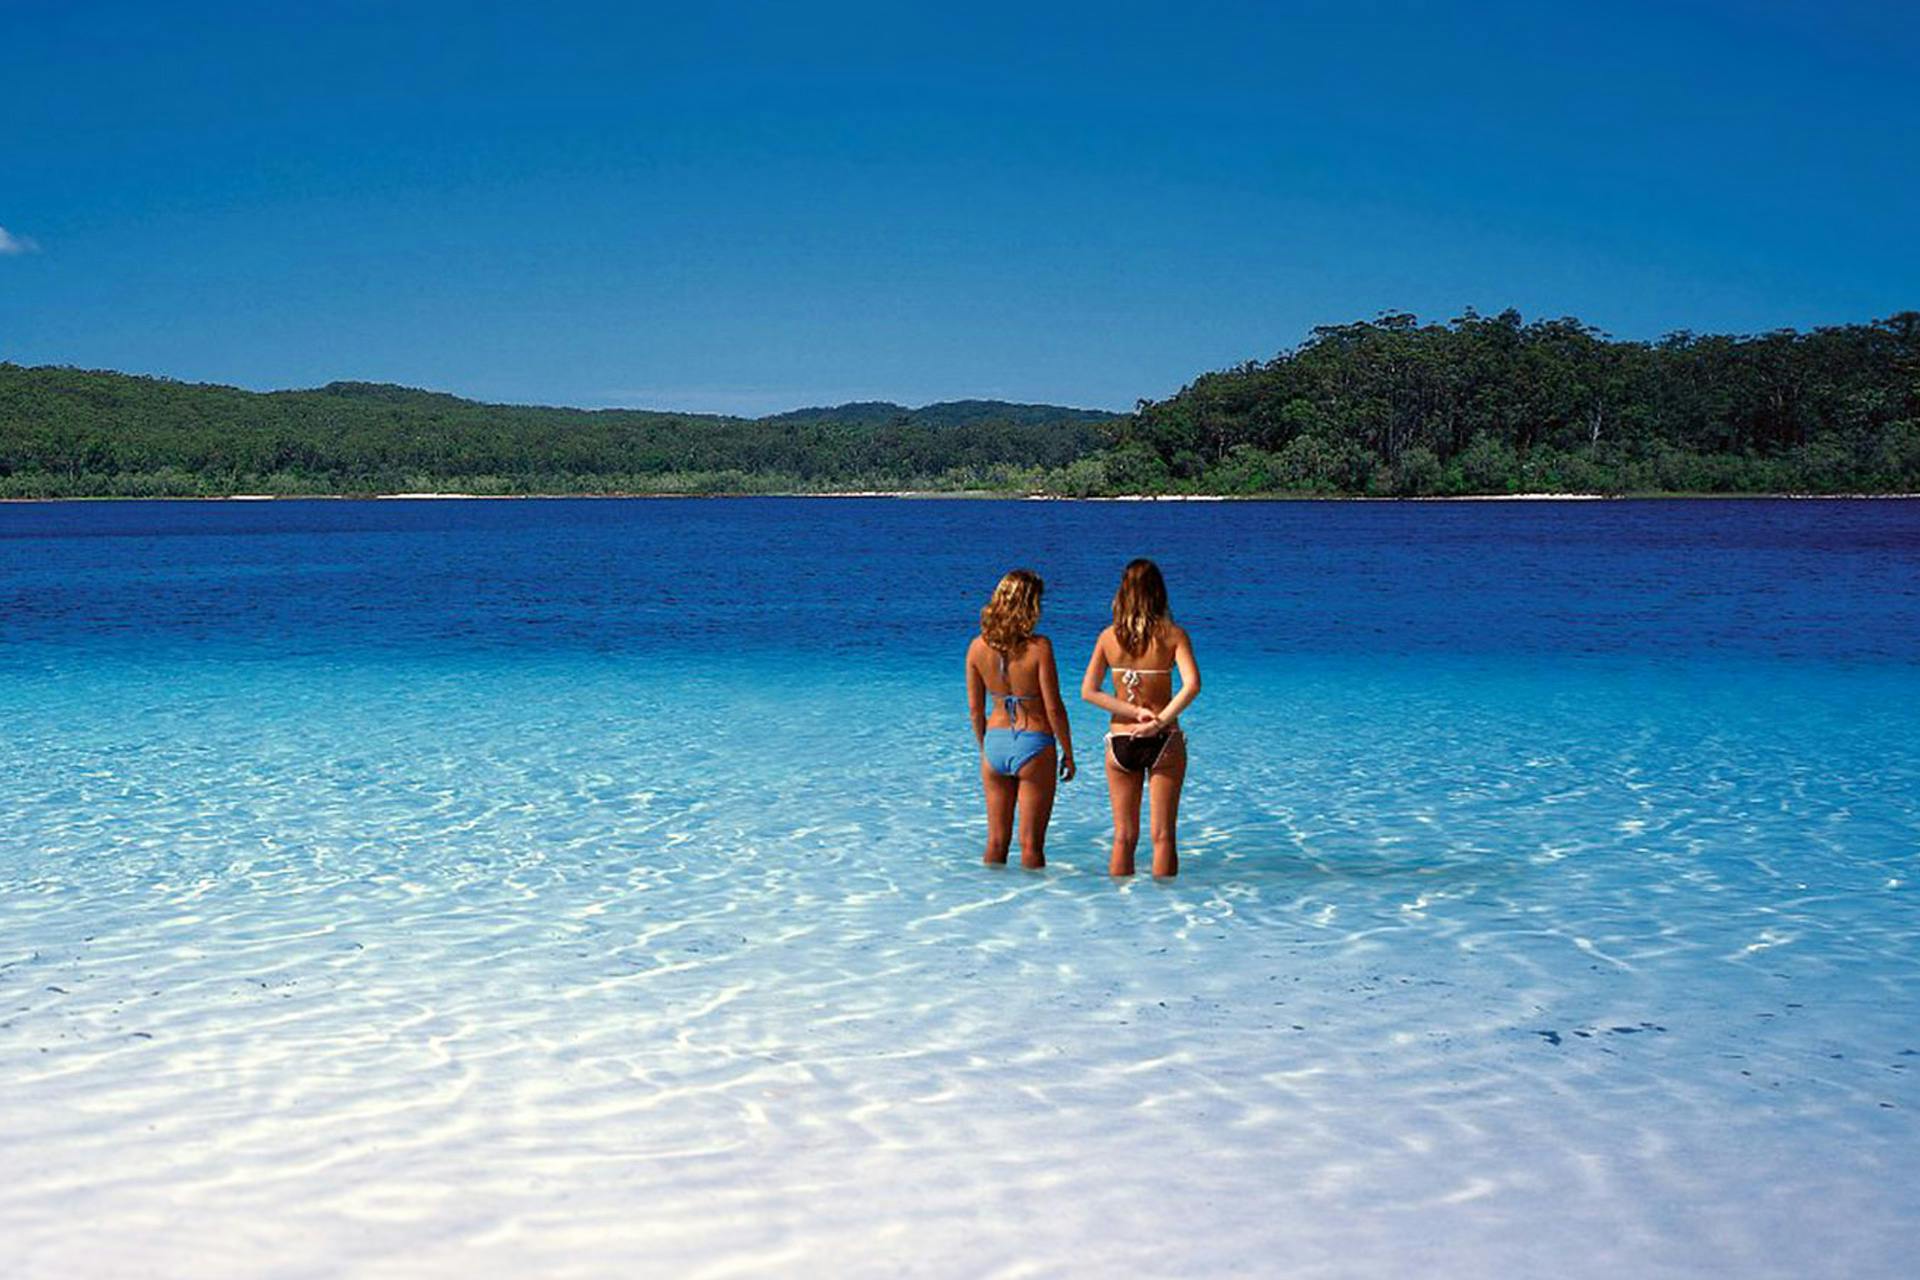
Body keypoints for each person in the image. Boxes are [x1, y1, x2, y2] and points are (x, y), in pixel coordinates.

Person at [1080, 559, 1201, 877]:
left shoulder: (1108, 637)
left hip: (1121, 739)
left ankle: (1120, 915)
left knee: (1123, 836)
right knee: (1163, 837)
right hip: (1164, 740)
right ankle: (1168, 916)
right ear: (1159, 593)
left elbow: (1089, 692)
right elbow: (1192, 686)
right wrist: (1158, 721)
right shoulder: (1173, 636)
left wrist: (1132, 712)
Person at [966, 569, 1075, 868]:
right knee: (1031, 846)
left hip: (995, 743)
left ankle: (990, 904)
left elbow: (976, 711)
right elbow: (1054, 707)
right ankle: (1035, 910)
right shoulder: (1040, 647)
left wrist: (985, 747)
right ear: (1030, 605)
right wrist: (1068, 751)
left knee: (996, 842)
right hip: (1034, 743)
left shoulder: (976, 648)